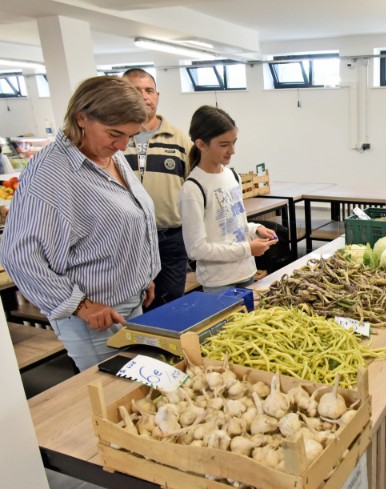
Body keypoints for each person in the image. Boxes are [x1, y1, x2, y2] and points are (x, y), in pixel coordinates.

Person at [1, 76, 160, 371]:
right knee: (116, 396)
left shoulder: (106, 153)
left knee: (138, 385)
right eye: (115, 133)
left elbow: (119, 224)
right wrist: (81, 306)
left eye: (130, 136)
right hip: (95, 318)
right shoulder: (51, 175)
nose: (123, 145)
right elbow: (19, 257)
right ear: (82, 118)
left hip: (130, 301)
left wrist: (143, 273)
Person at [178, 105, 277, 293]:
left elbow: (232, 226)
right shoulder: (193, 189)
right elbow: (196, 249)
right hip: (219, 282)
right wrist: (248, 249)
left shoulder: (232, 176)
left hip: (246, 272)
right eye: (224, 145)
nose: (232, 151)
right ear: (201, 144)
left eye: (234, 142)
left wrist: (256, 229)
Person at [122, 68, 193, 309]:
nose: (144, 97)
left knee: (170, 303)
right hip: (129, 241)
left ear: (157, 95)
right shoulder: (116, 141)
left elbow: (193, 186)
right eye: (135, 91)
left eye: (149, 90)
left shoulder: (179, 139)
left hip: (170, 237)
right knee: (134, 305)